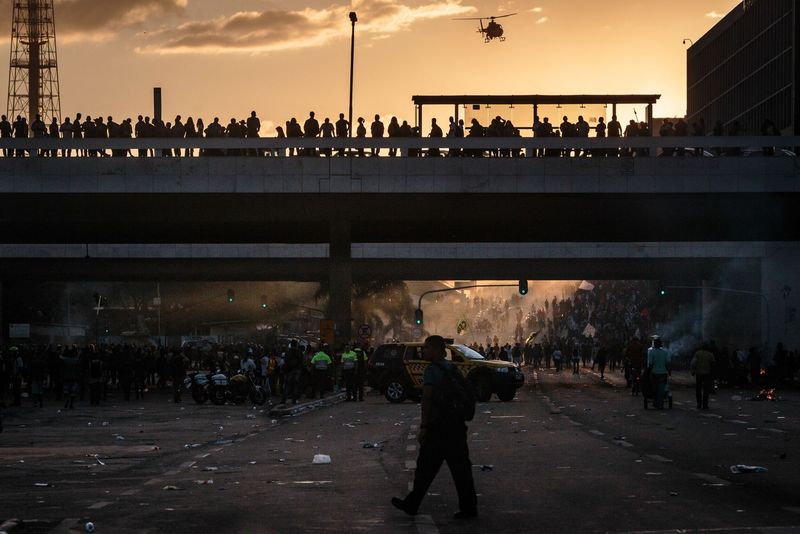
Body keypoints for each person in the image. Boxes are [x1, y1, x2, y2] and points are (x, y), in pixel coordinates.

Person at [392, 335, 477, 519]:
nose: (424, 351)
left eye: (427, 348)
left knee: (425, 469)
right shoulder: (452, 368)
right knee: (461, 469)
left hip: (438, 427)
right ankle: (469, 508)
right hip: (456, 426)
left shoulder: (431, 370)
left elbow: (427, 399)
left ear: (437, 350)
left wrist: (424, 426)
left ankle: (412, 504)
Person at [646, 337, 671, 409]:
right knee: (662, 388)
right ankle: (660, 402)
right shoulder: (665, 352)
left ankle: (655, 402)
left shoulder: (651, 352)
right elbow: (667, 363)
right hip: (663, 373)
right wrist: (669, 371)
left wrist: (647, 372)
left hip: (654, 373)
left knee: (654, 388)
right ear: (660, 344)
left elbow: (650, 364)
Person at [690, 343, 715, 410]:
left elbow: (693, 363)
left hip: (699, 374)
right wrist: (712, 373)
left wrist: (693, 371)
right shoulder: (710, 354)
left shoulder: (697, 353)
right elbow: (713, 364)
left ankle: (699, 404)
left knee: (698, 389)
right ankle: (705, 405)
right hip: (707, 374)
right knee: (706, 390)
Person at [281, 340, 303, 405]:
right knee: (295, 385)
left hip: (290, 370)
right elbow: (302, 361)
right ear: (296, 345)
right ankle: (294, 400)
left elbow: (286, 360)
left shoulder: (288, 352)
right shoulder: (299, 352)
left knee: (287, 385)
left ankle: (284, 399)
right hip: (297, 370)